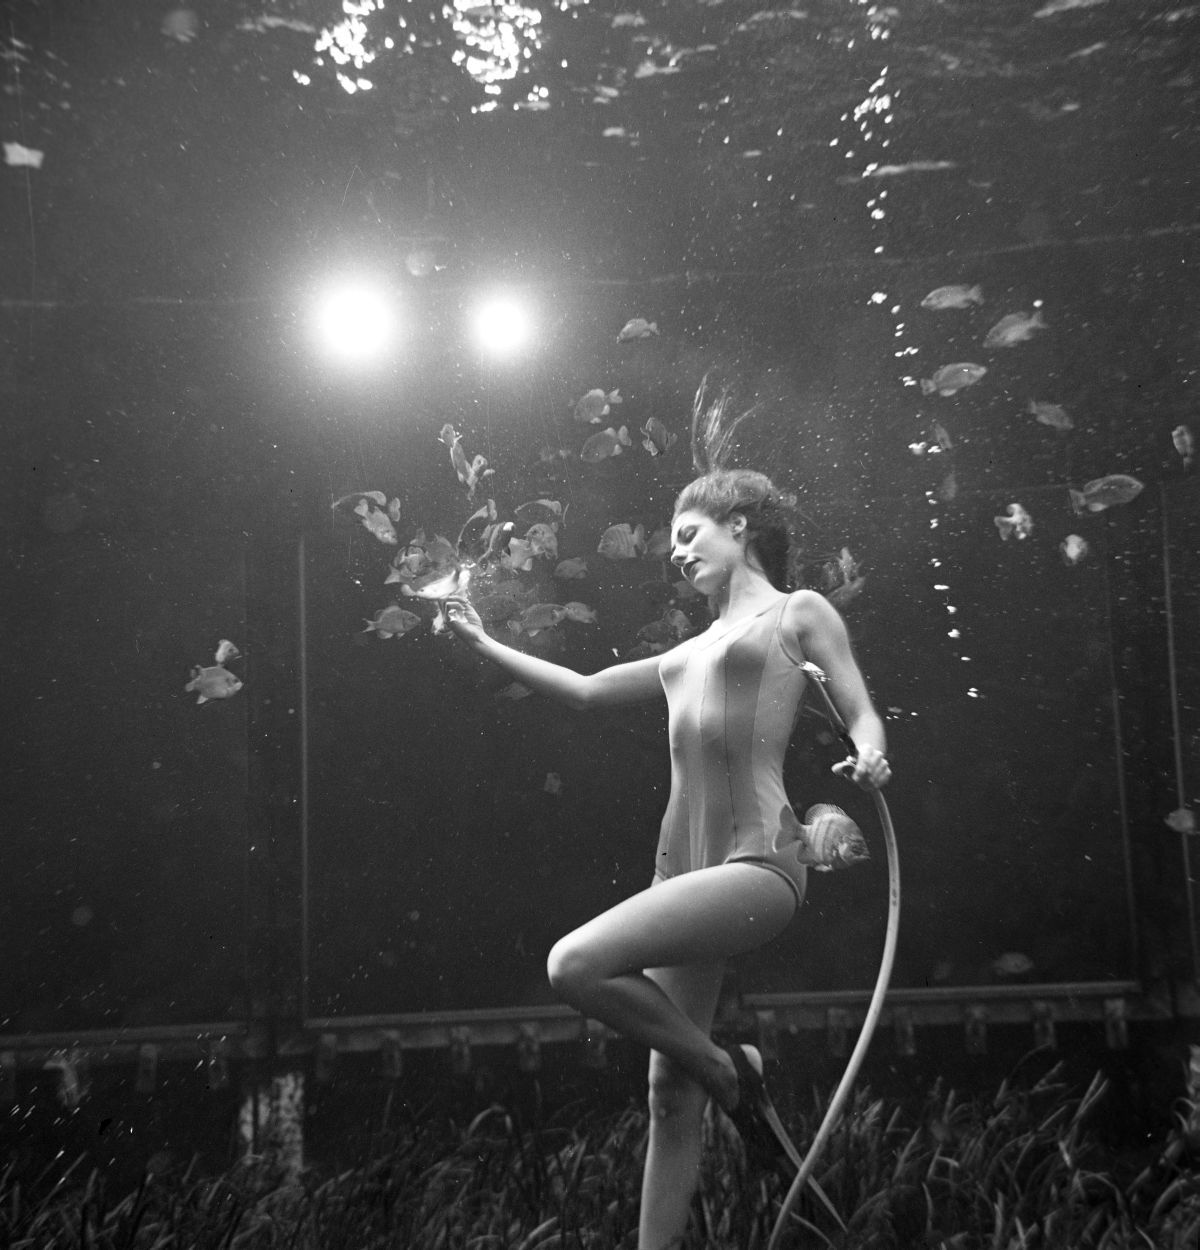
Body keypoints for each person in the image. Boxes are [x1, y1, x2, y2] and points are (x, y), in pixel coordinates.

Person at [444, 467, 890, 1250]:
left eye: (689, 535)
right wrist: (483, 640)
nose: (677, 553)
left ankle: (728, 1071)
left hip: (758, 862)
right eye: (673, 544)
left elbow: (860, 709)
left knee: (574, 964)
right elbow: (584, 690)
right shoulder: (686, 652)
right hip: (680, 870)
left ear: (740, 526)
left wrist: (871, 753)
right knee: (666, 1091)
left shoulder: (798, 612)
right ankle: (713, 1083)